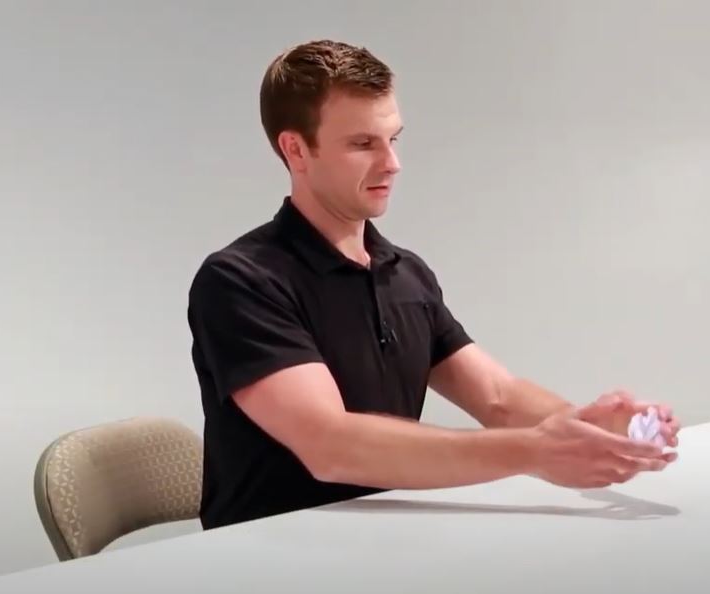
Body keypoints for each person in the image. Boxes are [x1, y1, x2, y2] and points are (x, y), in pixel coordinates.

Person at [186, 39, 680, 530]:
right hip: (264, 558)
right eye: (363, 144)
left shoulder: (405, 274)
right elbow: (329, 446)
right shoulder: (241, 282)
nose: (391, 163)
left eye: (393, 139)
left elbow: (498, 398)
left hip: (390, 541)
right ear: (295, 149)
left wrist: (587, 428)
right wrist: (534, 451)